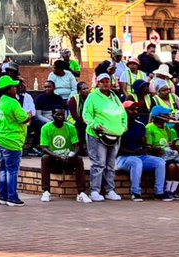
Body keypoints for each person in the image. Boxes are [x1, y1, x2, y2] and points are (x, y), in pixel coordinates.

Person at [82, 73, 126, 202]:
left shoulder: (115, 97)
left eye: (107, 81)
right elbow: (87, 114)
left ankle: (109, 190)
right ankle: (95, 190)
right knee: (98, 163)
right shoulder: (92, 97)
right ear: (98, 83)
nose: (105, 83)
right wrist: (95, 125)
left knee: (111, 165)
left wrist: (123, 127)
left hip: (115, 135)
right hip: (97, 135)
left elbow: (123, 114)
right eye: (102, 81)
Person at [117, 99, 167, 201]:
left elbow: (143, 144)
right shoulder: (118, 125)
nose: (135, 111)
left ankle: (159, 192)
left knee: (160, 162)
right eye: (131, 109)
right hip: (123, 158)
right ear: (124, 111)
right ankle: (135, 192)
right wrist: (133, 152)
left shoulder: (140, 125)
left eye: (136, 109)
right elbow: (116, 148)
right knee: (136, 161)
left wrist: (147, 148)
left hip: (139, 156)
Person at [145, 105, 179, 200]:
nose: (168, 116)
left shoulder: (169, 129)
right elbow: (149, 146)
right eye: (165, 114)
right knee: (172, 167)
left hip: (169, 155)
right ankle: (166, 190)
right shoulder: (150, 127)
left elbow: (177, 147)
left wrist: (172, 146)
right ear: (158, 116)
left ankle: (172, 191)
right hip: (158, 155)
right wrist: (159, 148)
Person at [0, 79, 27, 206]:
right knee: (12, 170)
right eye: (13, 87)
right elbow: (23, 118)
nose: (16, 89)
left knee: (3, 168)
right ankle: (12, 197)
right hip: (11, 140)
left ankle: (2, 196)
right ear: (8, 89)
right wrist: (30, 116)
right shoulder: (12, 102)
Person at [39, 107, 89, 202]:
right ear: (52, 116)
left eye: (62, 115)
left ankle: (81, 192)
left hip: (68, 159)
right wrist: (56, 156)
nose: (61, 117)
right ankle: (46, 191)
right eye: (58, 115)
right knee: (45, 158)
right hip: (54, 160)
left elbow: (77, 145)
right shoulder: (46, 128)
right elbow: (44, 147)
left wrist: (73, 155)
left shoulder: (70, 127)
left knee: (78, 159)